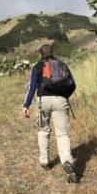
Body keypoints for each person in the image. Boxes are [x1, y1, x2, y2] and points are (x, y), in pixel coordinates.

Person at [22, 44, 77, 183]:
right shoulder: (62, 64)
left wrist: (26, 105)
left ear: (40, 54)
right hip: (61, 101)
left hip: (43, 100)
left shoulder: (37, 67)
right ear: (53, 53)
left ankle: (45, 162)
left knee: (43, 130)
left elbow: (32, 87)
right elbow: (73, 85)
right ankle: (67, 161)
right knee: (62, 133)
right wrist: (65, 96)